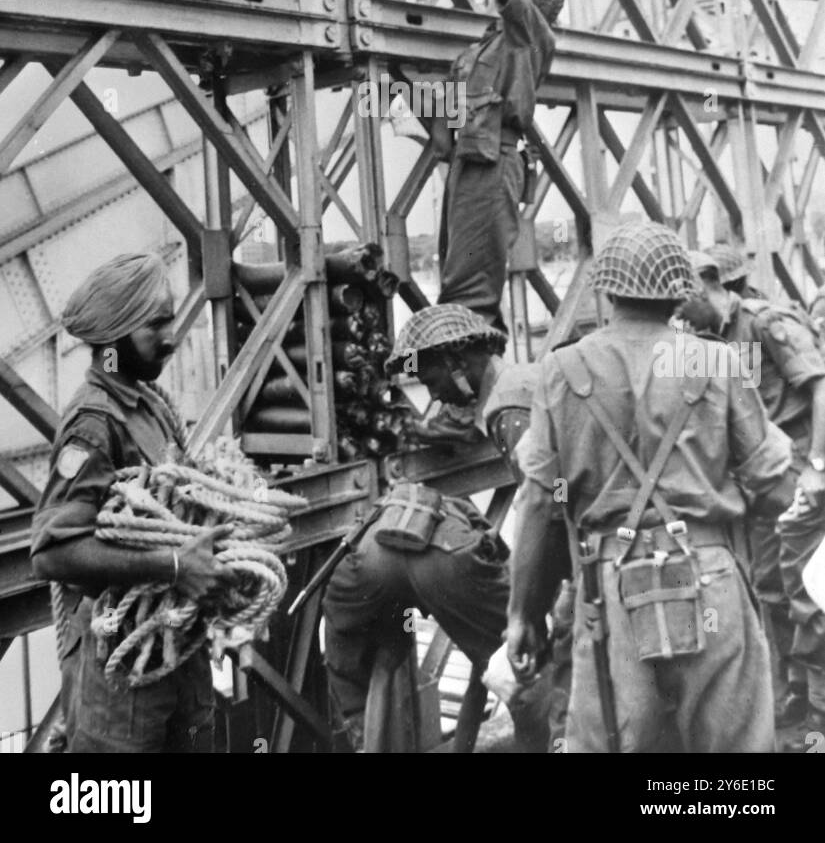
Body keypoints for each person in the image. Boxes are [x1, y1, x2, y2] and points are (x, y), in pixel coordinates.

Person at [507, 222, 796, 754]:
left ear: (606, 288)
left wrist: (523, 613)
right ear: (679, 291)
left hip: (609, 586)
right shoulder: (714, 360)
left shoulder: (560, 370)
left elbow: (540, 502)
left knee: (619, 743)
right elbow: (775, 485)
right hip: (709, 577)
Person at [322, 304, 556, 752]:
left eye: (432, 382)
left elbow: (543, 501)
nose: (438, 395)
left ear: (458, 363)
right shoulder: (522, 383)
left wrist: (527, 606)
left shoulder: (507, 408)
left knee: (537, 684)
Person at [31, 253, 228, 754]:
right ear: (115, 338)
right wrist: (177, 566)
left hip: (171, 653)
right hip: (121, 672)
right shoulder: (95, 424)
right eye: (156, 323)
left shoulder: (147, 405)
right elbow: (52, 551)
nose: (172, 336)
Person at [680, 250, 825, 746]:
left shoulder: (766, 322)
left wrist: (819, 469)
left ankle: (818, 713)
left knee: (810, 594)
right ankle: (795, 692)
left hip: (799, 478)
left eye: (683, 300)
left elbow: (822, 389)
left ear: (707, 285)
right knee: (770, 589)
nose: (676, 314)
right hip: (761, 488)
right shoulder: (705, 342)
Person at [428, 0, 566, 332]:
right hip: (466, 167)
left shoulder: (532, 33)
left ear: (538, 3)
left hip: (493, 166)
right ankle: (469, 394)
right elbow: (443, 135)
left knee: (471, 297)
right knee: (455, 287)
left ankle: (480, 398)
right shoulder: (478, 52)